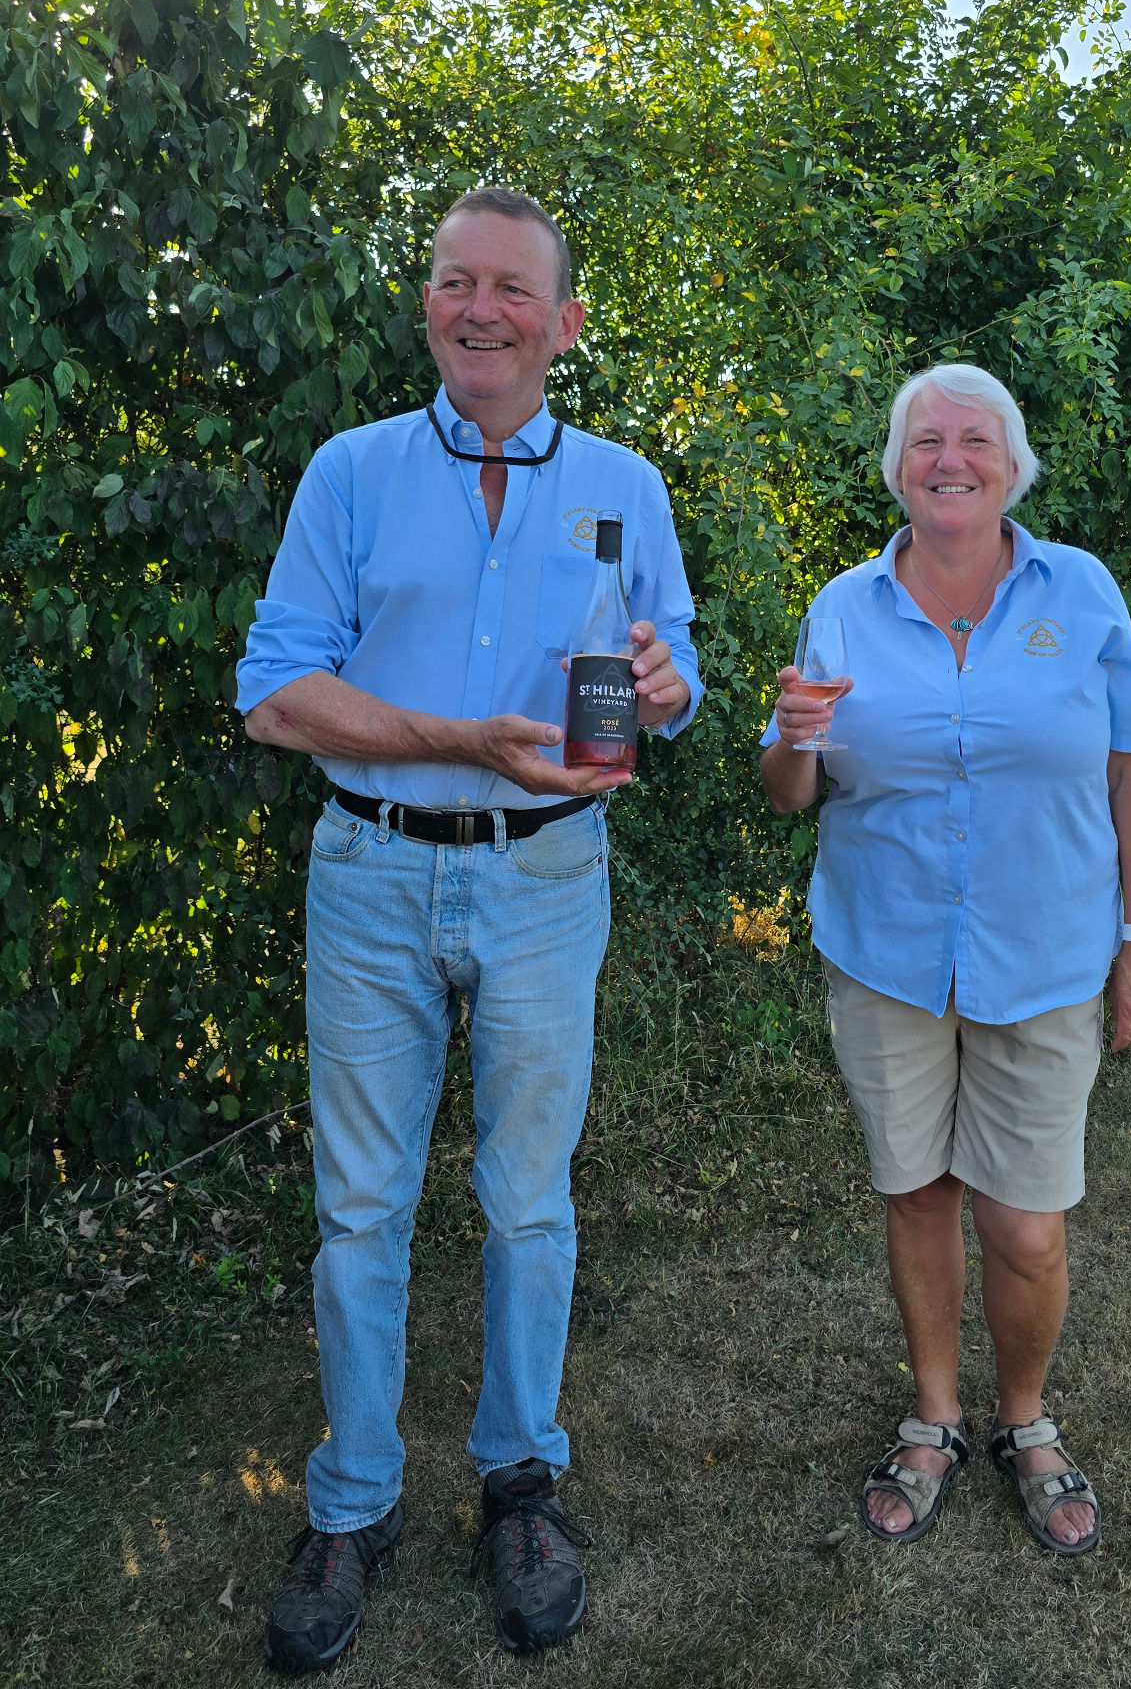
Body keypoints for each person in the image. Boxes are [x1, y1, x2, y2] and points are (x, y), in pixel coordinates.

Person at [236, 187, 701, 1671]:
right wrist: (459, 742)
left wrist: (666, 684)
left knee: (526, 1197)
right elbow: (274, 694)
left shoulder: (622, 483)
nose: (479, 309)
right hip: (371, 874)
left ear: (564, 323)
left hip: (549, 877)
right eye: (455, 282)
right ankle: (355, 1496)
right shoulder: (353, 474)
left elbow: (669, 660)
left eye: (512, 288)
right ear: (426, 303)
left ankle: (519, 1480)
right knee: (362, 1205)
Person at [760, 362, 1131, 1556]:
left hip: (1044, 956)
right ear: (897, 464)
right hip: (885, 955)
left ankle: (1025, 1416)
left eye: (974, 437)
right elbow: (791, 793)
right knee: (918, 1192)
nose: (950, 456)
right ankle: (935, 1412)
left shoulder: (1081, 593)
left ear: (1013, 461)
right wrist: (791, 740)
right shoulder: (841, 606)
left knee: (1026, 1224)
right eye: (925, 437)